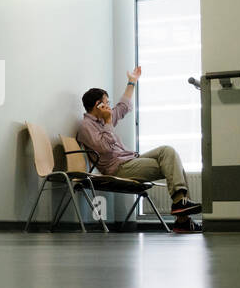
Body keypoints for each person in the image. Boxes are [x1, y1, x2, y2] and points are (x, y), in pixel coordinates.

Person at [77, 66, 202, 228]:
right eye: (107, 103)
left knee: (168, 151)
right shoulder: (86, 127)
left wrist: (132, 81)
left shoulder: (103, 118)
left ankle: (180, 205)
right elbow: (105, 148)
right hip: (118, 168)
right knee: (171, 166)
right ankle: (183, 217)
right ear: (98, 105)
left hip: (130, 160)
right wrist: (108, 122)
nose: (109, 106)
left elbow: (123, 106)